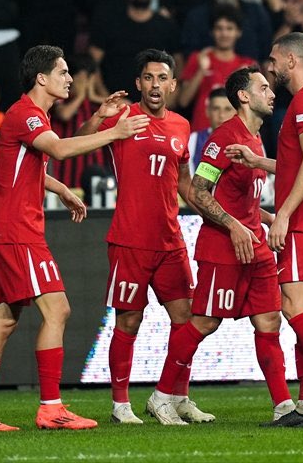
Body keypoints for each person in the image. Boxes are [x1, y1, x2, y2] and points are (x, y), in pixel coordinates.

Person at [0, 44, 149, 432]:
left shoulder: (29, 117)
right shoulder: (25, 115)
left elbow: (30, 164)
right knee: (57, 310)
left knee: (4, 320)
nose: (70, 79)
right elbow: (59, 149)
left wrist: (61, 186)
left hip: (10, 228)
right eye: (62, 72)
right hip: (16, 230)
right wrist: (116, 132)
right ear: (41, 78)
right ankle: (50, 408)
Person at [76, 49, 210, 426]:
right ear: (138, 84)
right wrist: (99, 118)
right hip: (130, 239)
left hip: (171, 240)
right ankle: (121, 404)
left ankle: (177, 396)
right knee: (128, 321)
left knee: (185, 321)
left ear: (172, 85)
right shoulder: (123, 117)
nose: (155, 85)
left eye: (161, 78)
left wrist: (217, 219)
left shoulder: (181, 126)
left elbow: (185, 183)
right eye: (148, 78)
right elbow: (78, 143)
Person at [154, 65, 293, 423]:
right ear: (244, 96)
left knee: (269, 322)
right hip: (223, 248)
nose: (271, 93)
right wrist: (233, 225)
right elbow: (199, 192)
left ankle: (283, 407)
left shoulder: (256, 138)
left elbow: (240, 198)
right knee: (204, 322)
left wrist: (265, 219)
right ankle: (162, 396)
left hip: (255, 245)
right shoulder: (223, 138)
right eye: (263, 87)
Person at [229, 33, 303, 427]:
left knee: (295, 310)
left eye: (273, 60)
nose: (270, 67)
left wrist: (282, 215)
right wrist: (257, 161)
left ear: (291, 61)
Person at [177, 7, 254, 132]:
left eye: (229, 28)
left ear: (238, 32)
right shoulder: (197, 58)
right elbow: (183, 101)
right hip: (201, 134)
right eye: (219, 28)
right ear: (212, 32)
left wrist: (245, 81)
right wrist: (201, 71)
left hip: (235, 135)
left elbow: (256, 109)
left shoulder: (247, 65)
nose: (224, 34)